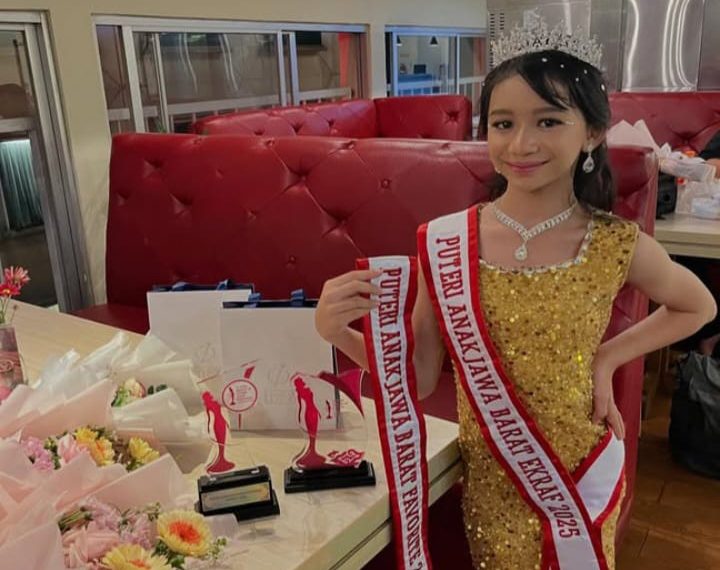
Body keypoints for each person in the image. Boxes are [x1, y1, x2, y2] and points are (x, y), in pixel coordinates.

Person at [314, 45, 717, 569]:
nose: (521, 143)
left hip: (582, 472)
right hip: (493, 481)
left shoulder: (615, 242)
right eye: (503, 123)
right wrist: (338, 333)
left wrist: (608, 357)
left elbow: (697, 306)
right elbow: (420, 378)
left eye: (548, 121)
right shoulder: (445, 242)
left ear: (592, 133)